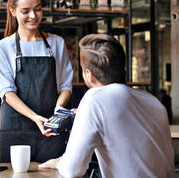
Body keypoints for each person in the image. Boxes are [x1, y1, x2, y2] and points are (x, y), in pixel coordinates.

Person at [39, 34, 174, 177]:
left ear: (88, 74)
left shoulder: (94, 98)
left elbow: (72, 170)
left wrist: (59, 162)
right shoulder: (152, 101)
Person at [0, 0, 73, 163]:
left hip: (50, 130)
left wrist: (60, 106)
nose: (33, 16)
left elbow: (65, 85)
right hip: (14, 130)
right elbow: (7, 92)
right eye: (25, 11)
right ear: (13, 12)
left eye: (37, 9)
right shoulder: (3, 47)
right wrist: (35, 117)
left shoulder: (57, 43)